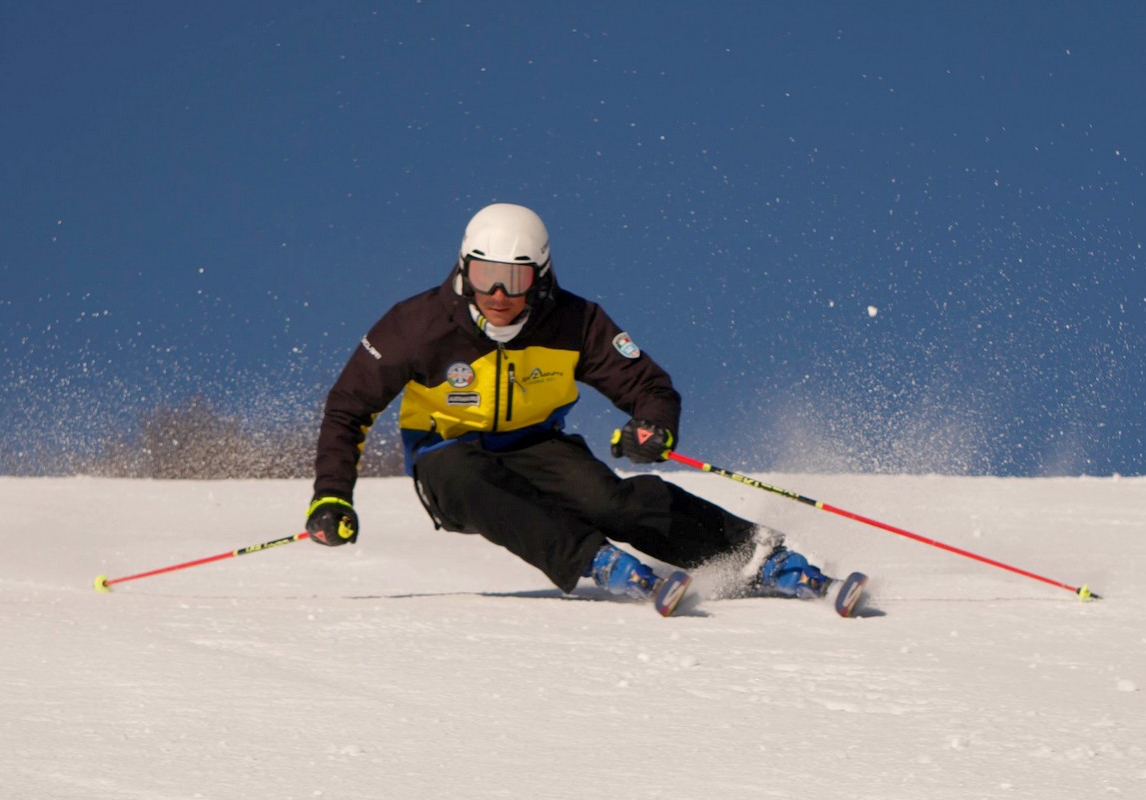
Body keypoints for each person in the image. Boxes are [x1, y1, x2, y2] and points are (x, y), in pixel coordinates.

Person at [305, 203, 831, 602]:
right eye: (485, 276)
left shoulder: (575, 322)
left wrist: (652, 426)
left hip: (537, 445)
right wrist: (332, 496)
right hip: (448, 457)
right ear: (464, 269)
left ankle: (759, 559)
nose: (498, 295)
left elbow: (649, 386)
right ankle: (596, 560)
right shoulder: (416, 325)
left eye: (515, 279)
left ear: (541, 276)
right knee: (463, 472)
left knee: (612, 500)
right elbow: (349, 407)